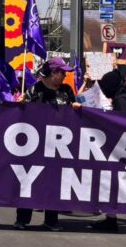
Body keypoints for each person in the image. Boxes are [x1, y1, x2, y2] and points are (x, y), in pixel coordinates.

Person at [14, 57, 80, 231]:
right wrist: (20, 104)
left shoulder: (66, 90)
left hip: (59, 145)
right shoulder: (35, 90)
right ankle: (22, 219)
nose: (65, 76)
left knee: (54, 182)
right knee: (29, 181)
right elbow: (21, 113)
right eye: (62, 72)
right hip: (35, 145)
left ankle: (51, 220)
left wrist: (76, 107)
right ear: (52, 73)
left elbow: (75, 107)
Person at [92, 70, 126, 232]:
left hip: (120, 150)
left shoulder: (121, 101)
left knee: (112, 185)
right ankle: (111, 218)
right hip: (122, 148)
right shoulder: (123, 98)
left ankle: (112, 220)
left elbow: (122, 123)